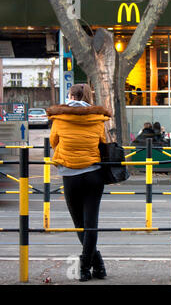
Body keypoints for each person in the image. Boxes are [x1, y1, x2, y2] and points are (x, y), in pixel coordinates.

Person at [47, 84, 111, 282]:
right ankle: (94, 265)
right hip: (93, 174)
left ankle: (88, 266)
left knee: (79, 224)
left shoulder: (59, 118)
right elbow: (102, 141)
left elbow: (53, 142)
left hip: (70, 175)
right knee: (91, 223)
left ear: (72, 96)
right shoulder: (97, 118)